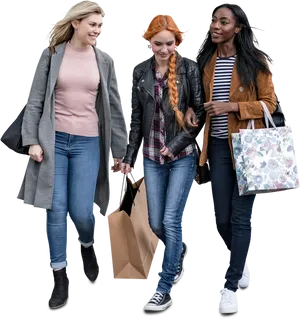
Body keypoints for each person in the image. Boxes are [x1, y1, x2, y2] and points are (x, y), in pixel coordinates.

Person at [16, 0, 127, 311]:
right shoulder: (53, 55)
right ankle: (59, 275)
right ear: (76, 23)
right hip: (53, 142)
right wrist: (31, 141)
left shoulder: (104, 60)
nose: (97, 30)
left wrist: (119, 150)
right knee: (55, 208)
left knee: (81, 211)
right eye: (93, 24)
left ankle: (88, 247)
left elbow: (114, 108)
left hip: (88, 142)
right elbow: (36, 101)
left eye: (101, 26)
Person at [184, 3, 276, 316]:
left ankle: (231, 285)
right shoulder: (205, 59)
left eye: (224, 21)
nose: (216, 26)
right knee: (221, 216)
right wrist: (192, 113)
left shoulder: (255, 59)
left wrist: (232, 108)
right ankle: (242, 260)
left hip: (248, 147)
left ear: (237, 27)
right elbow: (197, 100)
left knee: (240, 217)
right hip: (218, 148)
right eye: (213, 20)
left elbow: (269, 104)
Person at [120, 12, 205, 311]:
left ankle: (164, 288)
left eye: (170, 43)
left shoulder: (188, 68)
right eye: (158, 43)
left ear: (177, 42)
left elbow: (199, 114)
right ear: (148, 42)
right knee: (157, 223)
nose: (164, 49)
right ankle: (178, 249)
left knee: (171, 220)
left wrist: (176, 143)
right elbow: (134, 120)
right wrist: (129, 157)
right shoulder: (139, 72)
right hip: (151, 157)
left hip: (181, 156)